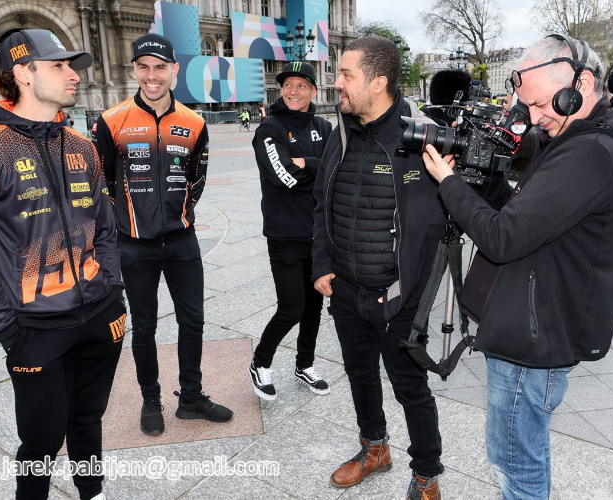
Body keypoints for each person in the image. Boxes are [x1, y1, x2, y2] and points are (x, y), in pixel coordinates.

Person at [423, 34, 613, 499]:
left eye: (544, 104)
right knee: (518, 456)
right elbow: (525, 216)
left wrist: (449, 184)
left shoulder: (590, 152)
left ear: (581, 84)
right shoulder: (577, 136)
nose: (536, 118)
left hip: (535, 338)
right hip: (536, 322)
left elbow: (503, 238)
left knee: (515, 464)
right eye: (528, 107)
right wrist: (483, 184)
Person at [0, 29, 125, 500]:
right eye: (58, 65)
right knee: (41, 439)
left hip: (100, 316)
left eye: (73, 64)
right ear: (24, 74)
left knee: (89, 420)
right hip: (35, 330)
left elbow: (105, 229)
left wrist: (114, 293)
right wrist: (9, 331)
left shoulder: (82, 145)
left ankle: (94, 492)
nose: (73, 74)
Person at [312, 36, 446, 499]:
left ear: (380, 82)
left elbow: (437, 228)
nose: (337, 83)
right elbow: (321, 203)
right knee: (361, 375)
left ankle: (427, 475)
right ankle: (375, 449)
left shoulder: (419, 139)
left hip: (396, 298)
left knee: (411, 388)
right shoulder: (341, 131)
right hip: (346, 290)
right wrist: (322, 263)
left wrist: (410, 294)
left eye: (347, 74)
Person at [93, 33, 232, 437]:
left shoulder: (195, 122)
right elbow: (103, 183)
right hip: (133, 245)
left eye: (160, 67)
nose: (152, 76)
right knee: (146, 325)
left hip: (182, 242)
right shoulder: (111, 120)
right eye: (144, 67)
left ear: (173, 70)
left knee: (193, 321)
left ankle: (191, 398)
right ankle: (150, 399)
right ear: (134, 70)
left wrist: (179, 214)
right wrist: (122, 227)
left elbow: (197, 179)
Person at [248, 61, 333, 401]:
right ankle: (260, 362)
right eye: (288, 85)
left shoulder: (325, 127)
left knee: (314, 306)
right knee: (292, 307)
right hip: (285, 234)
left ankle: (304, 364)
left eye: (302, 85)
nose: (294, 91)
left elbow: (336, 171)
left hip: (319, 234)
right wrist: (314, 168)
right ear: (281, 89)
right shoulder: (269, 129)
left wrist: (305, 162)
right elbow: (283, 175)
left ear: (314, 90)